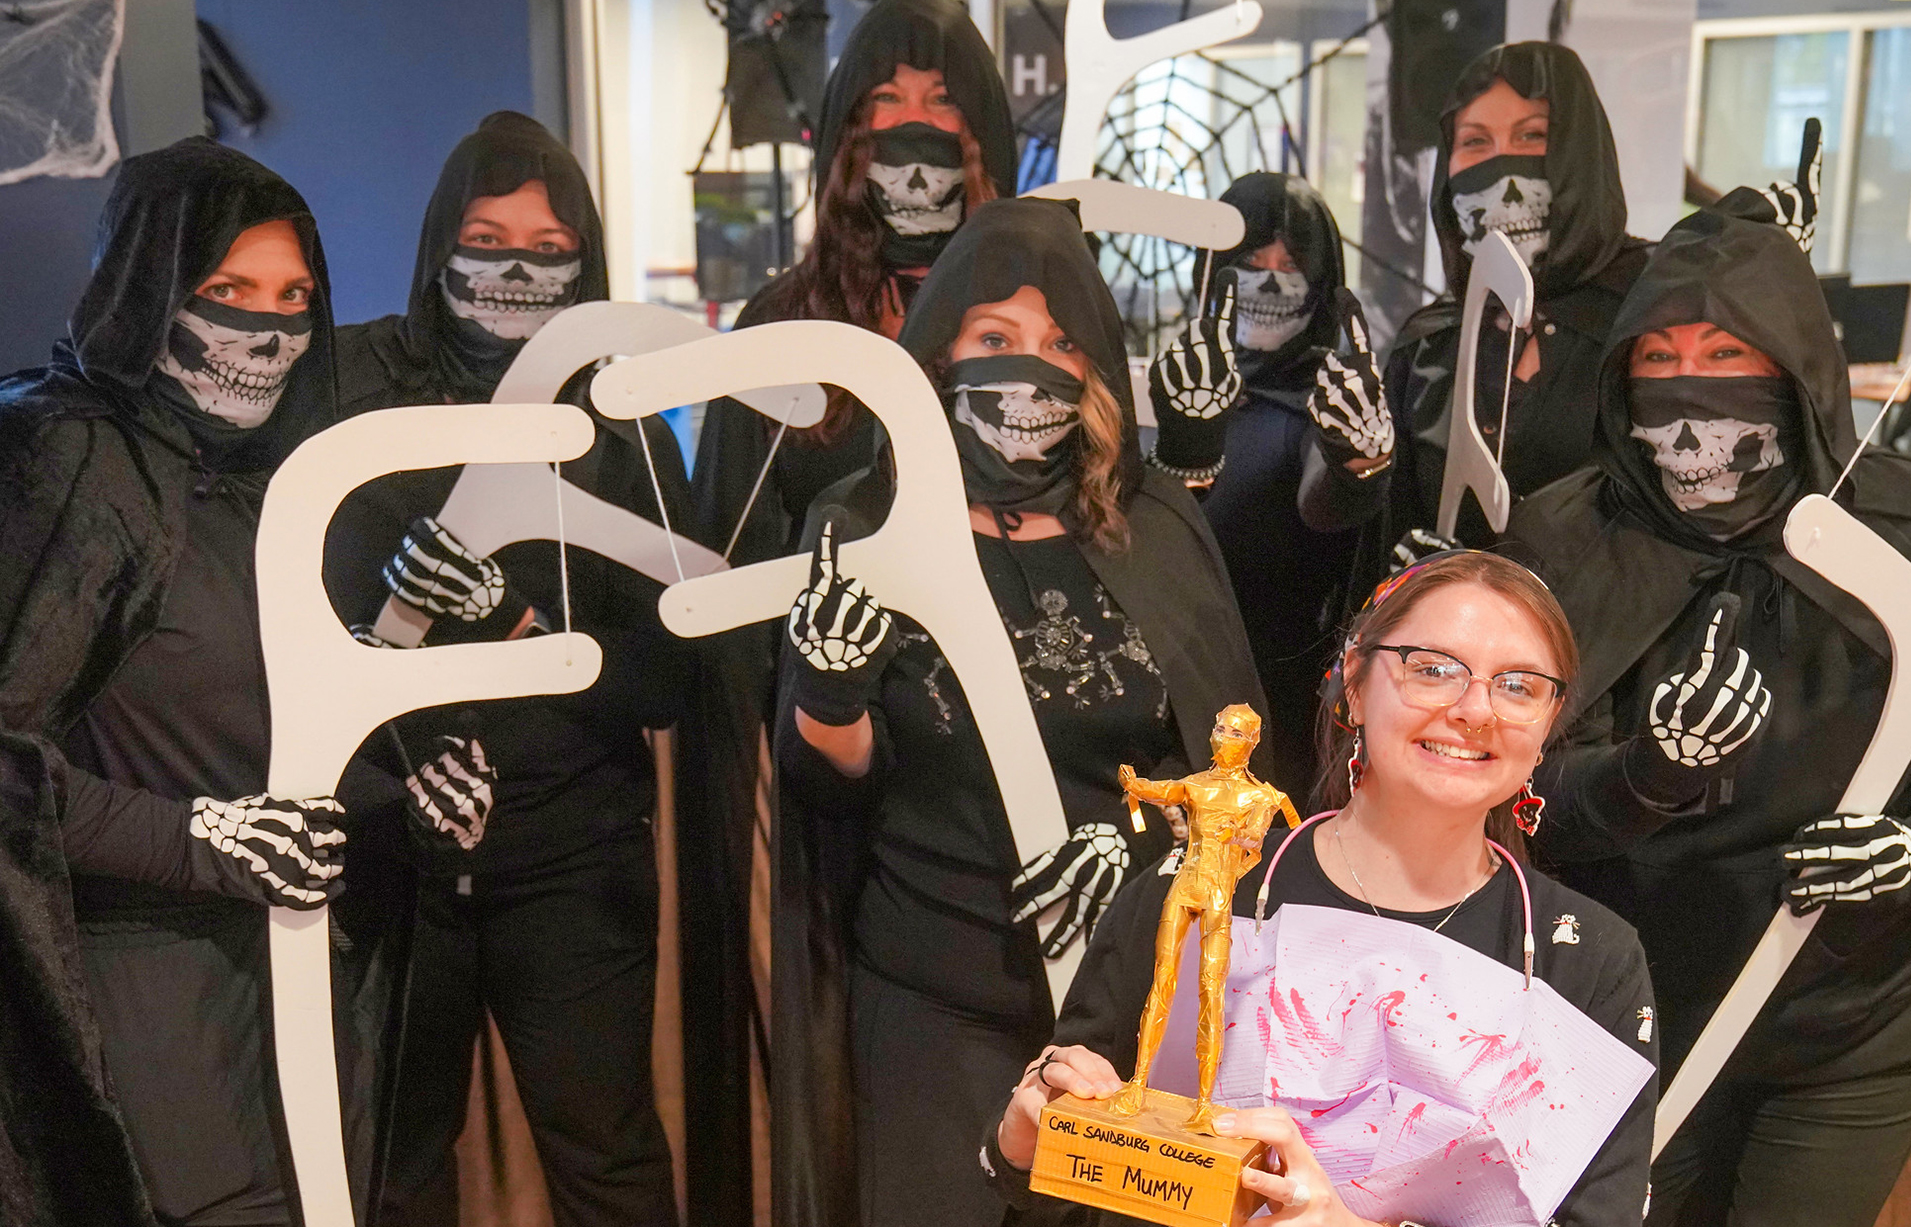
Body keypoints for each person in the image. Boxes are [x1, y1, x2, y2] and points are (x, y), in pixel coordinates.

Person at [1506, 191, 1911, 1226]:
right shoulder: (1564, 540)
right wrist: (1637, 779)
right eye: (1656, 359)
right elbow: (1511, 791)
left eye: (1727, 354)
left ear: (1797, 371)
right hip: (1629, 1009)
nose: (1688, 391)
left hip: (1864, 1016)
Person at [770, 196, 1268, 1227]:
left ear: (1092, 370)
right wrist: (827, 692)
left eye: (1057, 343)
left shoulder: (1152, 525)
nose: (1027, 366)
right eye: (993, 338)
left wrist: (1141, 850)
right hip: (933, 992)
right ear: (938, 353)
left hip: (1133, 1006)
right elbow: (828, 786)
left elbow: (1234, 771)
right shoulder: (860, 521)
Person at [985, 551, 1657, 1226]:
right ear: (1357, 684)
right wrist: (1020, 1141)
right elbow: (1056, 1178)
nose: (1475, 709)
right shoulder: (1208, 886)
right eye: (1432, 669)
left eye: (1518, 685)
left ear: (1548, 725)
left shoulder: (1590, 960)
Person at [325, 112, 724, 1227]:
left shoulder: (631, 421)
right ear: (435, 245)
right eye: (484, 235)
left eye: (546, 247)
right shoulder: (359, 388)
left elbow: (667, 686)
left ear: (585, 261)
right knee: (394, 1162)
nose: (512, 267)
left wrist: (510, 616)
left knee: (607, 1156)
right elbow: (293, 628)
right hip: (390, 854)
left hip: (572, 857)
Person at [0, 138, 365, 1225]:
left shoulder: (280, 486)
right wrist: (197, 841)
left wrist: (410, 776)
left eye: (295, 295)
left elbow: (268, 718)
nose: (267, 327)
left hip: (293, 972)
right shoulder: (56, 463)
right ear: (148, 286)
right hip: (134, 986)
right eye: (228, 291)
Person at [1303, 42, 1651, 578]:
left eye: (1532, 135)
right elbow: (1337, 522)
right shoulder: (1432, 342)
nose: (1499, 166)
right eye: (1474, 142)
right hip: (1445, 652)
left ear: (1581, 150)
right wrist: (1357, 463)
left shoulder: (1655, 311)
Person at [691, 0, 1016, 564]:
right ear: (849, 125)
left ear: (980, 123)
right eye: (886, 98)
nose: (914, 121)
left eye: (942, 98)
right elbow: (725, 544)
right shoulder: (781, 323)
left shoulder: (1036, 310)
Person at [1147, 172, 1394, 797]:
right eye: (1249, 262)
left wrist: (1355, 468)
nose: (1270, 281)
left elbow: (1325, 501)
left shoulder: (1330, 402)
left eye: (1292, 265)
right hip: (1167, 681)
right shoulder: (1172, 382)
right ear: (1213, 270)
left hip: (1280, 701)